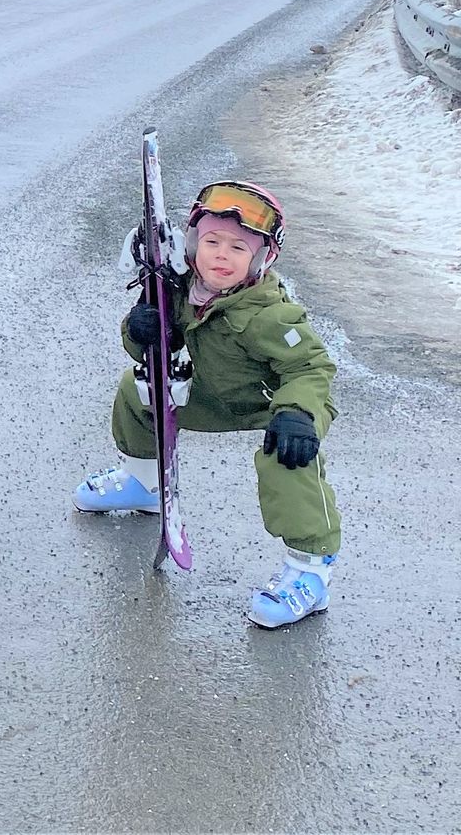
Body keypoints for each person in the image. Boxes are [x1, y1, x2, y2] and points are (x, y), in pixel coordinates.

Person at [73, 181, 344, 628]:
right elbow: (150, 348)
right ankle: (144, 484)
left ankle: (311, 573)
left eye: (239, 247)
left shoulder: (270, 314)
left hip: (267, 406)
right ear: (194, 245)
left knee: (289, 458)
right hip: (205, 397)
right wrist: (141, 331)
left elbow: (312, 367)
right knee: (136, 388)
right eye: (212, 242)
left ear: (261, 259)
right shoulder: (178, 289)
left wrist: (298, 412)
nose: (222, 255)